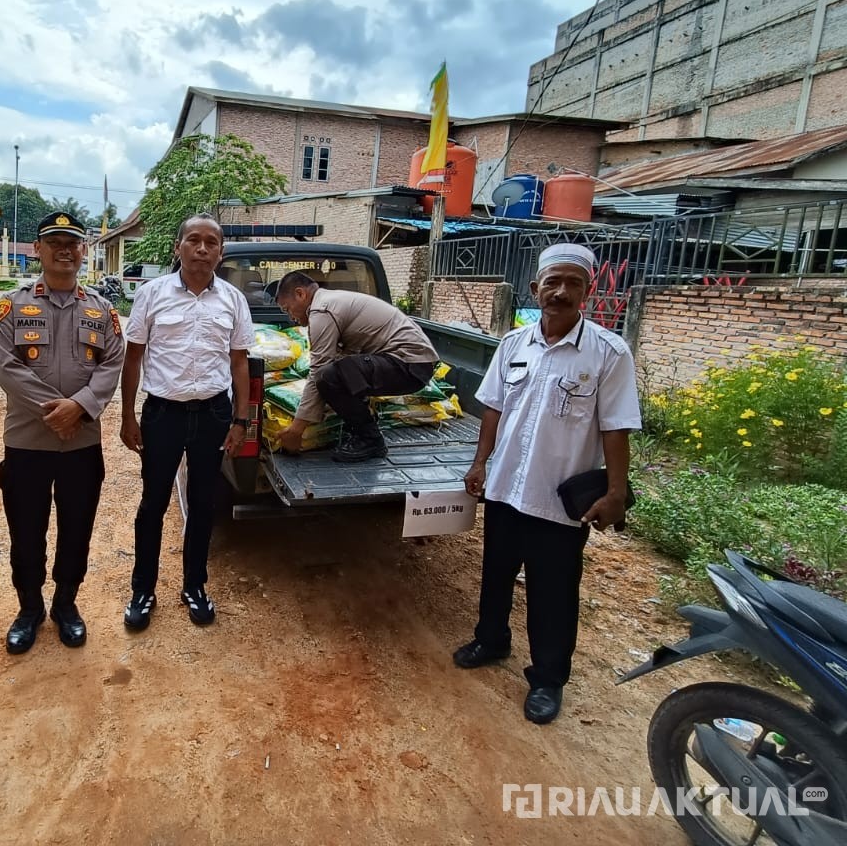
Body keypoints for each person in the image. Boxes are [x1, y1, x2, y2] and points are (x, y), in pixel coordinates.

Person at [454, 243, 641, 725]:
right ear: (535, 288)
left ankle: (547, 679)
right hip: (504, 487)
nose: (560, 292)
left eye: (572, 284)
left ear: (587, 290)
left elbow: (615, 427)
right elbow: (493, 408)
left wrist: (616, 493)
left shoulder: (608, 352)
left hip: (559, 499)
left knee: (554, 591)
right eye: (551, 283)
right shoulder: (513, 344)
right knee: (495, 573)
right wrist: (480, 464)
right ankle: (490, 641)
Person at [0, 211, 124, 654]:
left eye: (73, 243)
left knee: (76, 528)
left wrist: (81, 408)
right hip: (28, 441)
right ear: (38, 250)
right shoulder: (10, 305)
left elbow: (111, 364)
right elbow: (6, 367)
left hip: (82, 443)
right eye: (55, 242)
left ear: (84, 251)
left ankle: (66, 604)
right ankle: (29, 608)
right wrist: (57, 411)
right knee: (26, 531)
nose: (65, 250)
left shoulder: (102, 310)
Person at [119, 214, 253, 630]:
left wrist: (240, 420)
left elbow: (239, 362)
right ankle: (143, 590)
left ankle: (195, 585)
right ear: (177, 247)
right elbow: (134, 356)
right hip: (163, 414)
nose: (201, 248)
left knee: (203, 504)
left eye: (211, 242)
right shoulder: (151, 294)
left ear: (221, 252)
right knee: (153, 504)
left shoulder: (232, 299)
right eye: (193, 240)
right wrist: (126, 415)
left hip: (213, 414)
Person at [274, 272, 439, 462]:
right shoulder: (330, 301)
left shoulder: (322, 310)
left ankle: (370, 439)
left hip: (409, 364)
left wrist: (296, 429)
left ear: (300, 294)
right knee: (338, 370)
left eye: (287, 309)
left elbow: (319, 370)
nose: (290, 317)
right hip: (407, 363)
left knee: (328, 376)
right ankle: (362, 425)